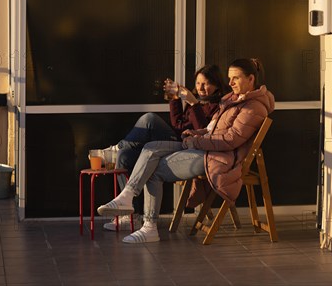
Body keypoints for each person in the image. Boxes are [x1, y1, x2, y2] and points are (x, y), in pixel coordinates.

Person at [97, 58, 275, 243]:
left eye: (235, 79)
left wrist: (196, 140)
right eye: (230, 78)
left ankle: (150, 227)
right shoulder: (233, 99)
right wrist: (196, 133)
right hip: (202, 145)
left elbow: (229, 140)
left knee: (154, 170)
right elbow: (211, 129)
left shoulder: (253, 107)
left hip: (215, 157)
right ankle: (127, 196)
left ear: (251, 79)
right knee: (150, 148)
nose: (230, 83)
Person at [96, 64, 227, 230]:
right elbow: (178, 123)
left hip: (188, 146)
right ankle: (130, 216)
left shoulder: (217, 106)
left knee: (149, 119)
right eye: (198, 83)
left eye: (206, 83)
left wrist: (194, 104)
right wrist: (175, 99)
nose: (201, 88)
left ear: (217, 84)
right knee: (124, 156)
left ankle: (116, 147)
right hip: (176, 138)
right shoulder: (198, 101)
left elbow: (203, 131)